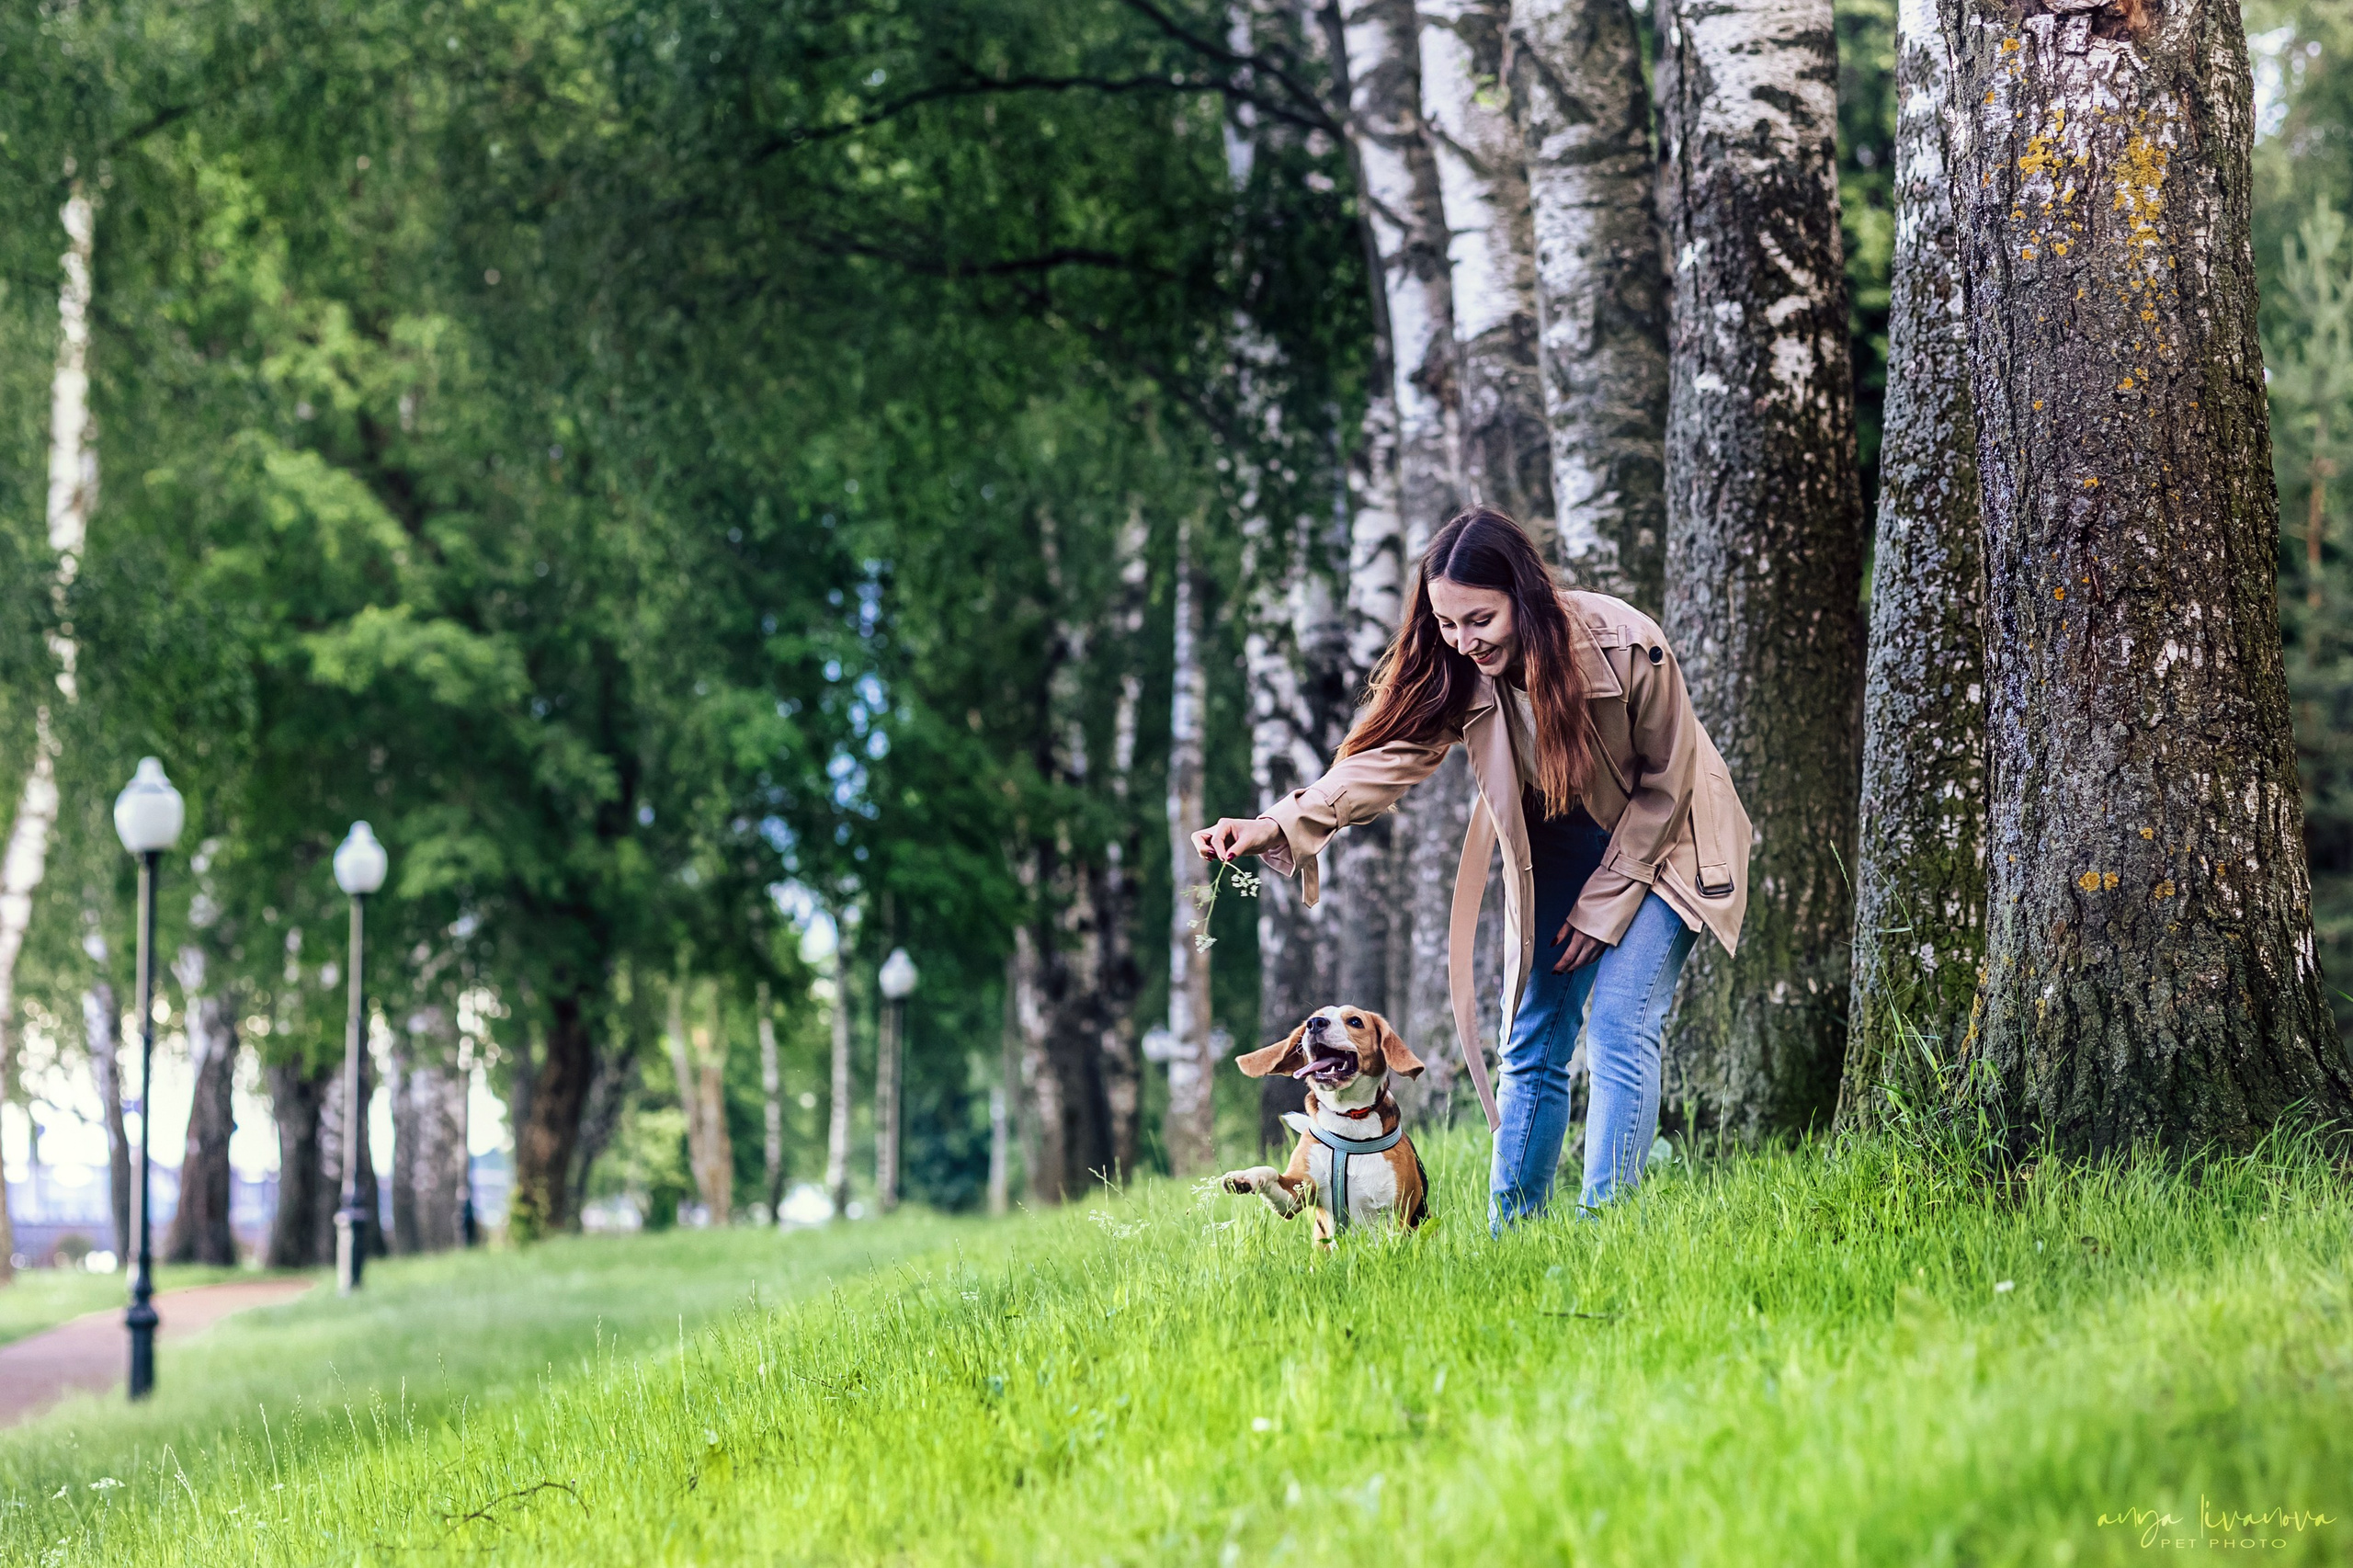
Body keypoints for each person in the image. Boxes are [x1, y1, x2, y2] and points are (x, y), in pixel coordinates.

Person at [1194, 508, 1750, 1228]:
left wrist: (1604, 905)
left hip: (1671, 841)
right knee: (1534, 1030)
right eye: (1447, 623)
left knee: (1618, 1020)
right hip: (1563, 845)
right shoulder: (1459, 668)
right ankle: (1515, 1230)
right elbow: (1384, 764)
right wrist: (1275, 822)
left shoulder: (1626, 642)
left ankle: (1605, 1226)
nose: (1463, 640)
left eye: (1479, 619)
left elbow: (1669, 783)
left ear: (1524, 594)